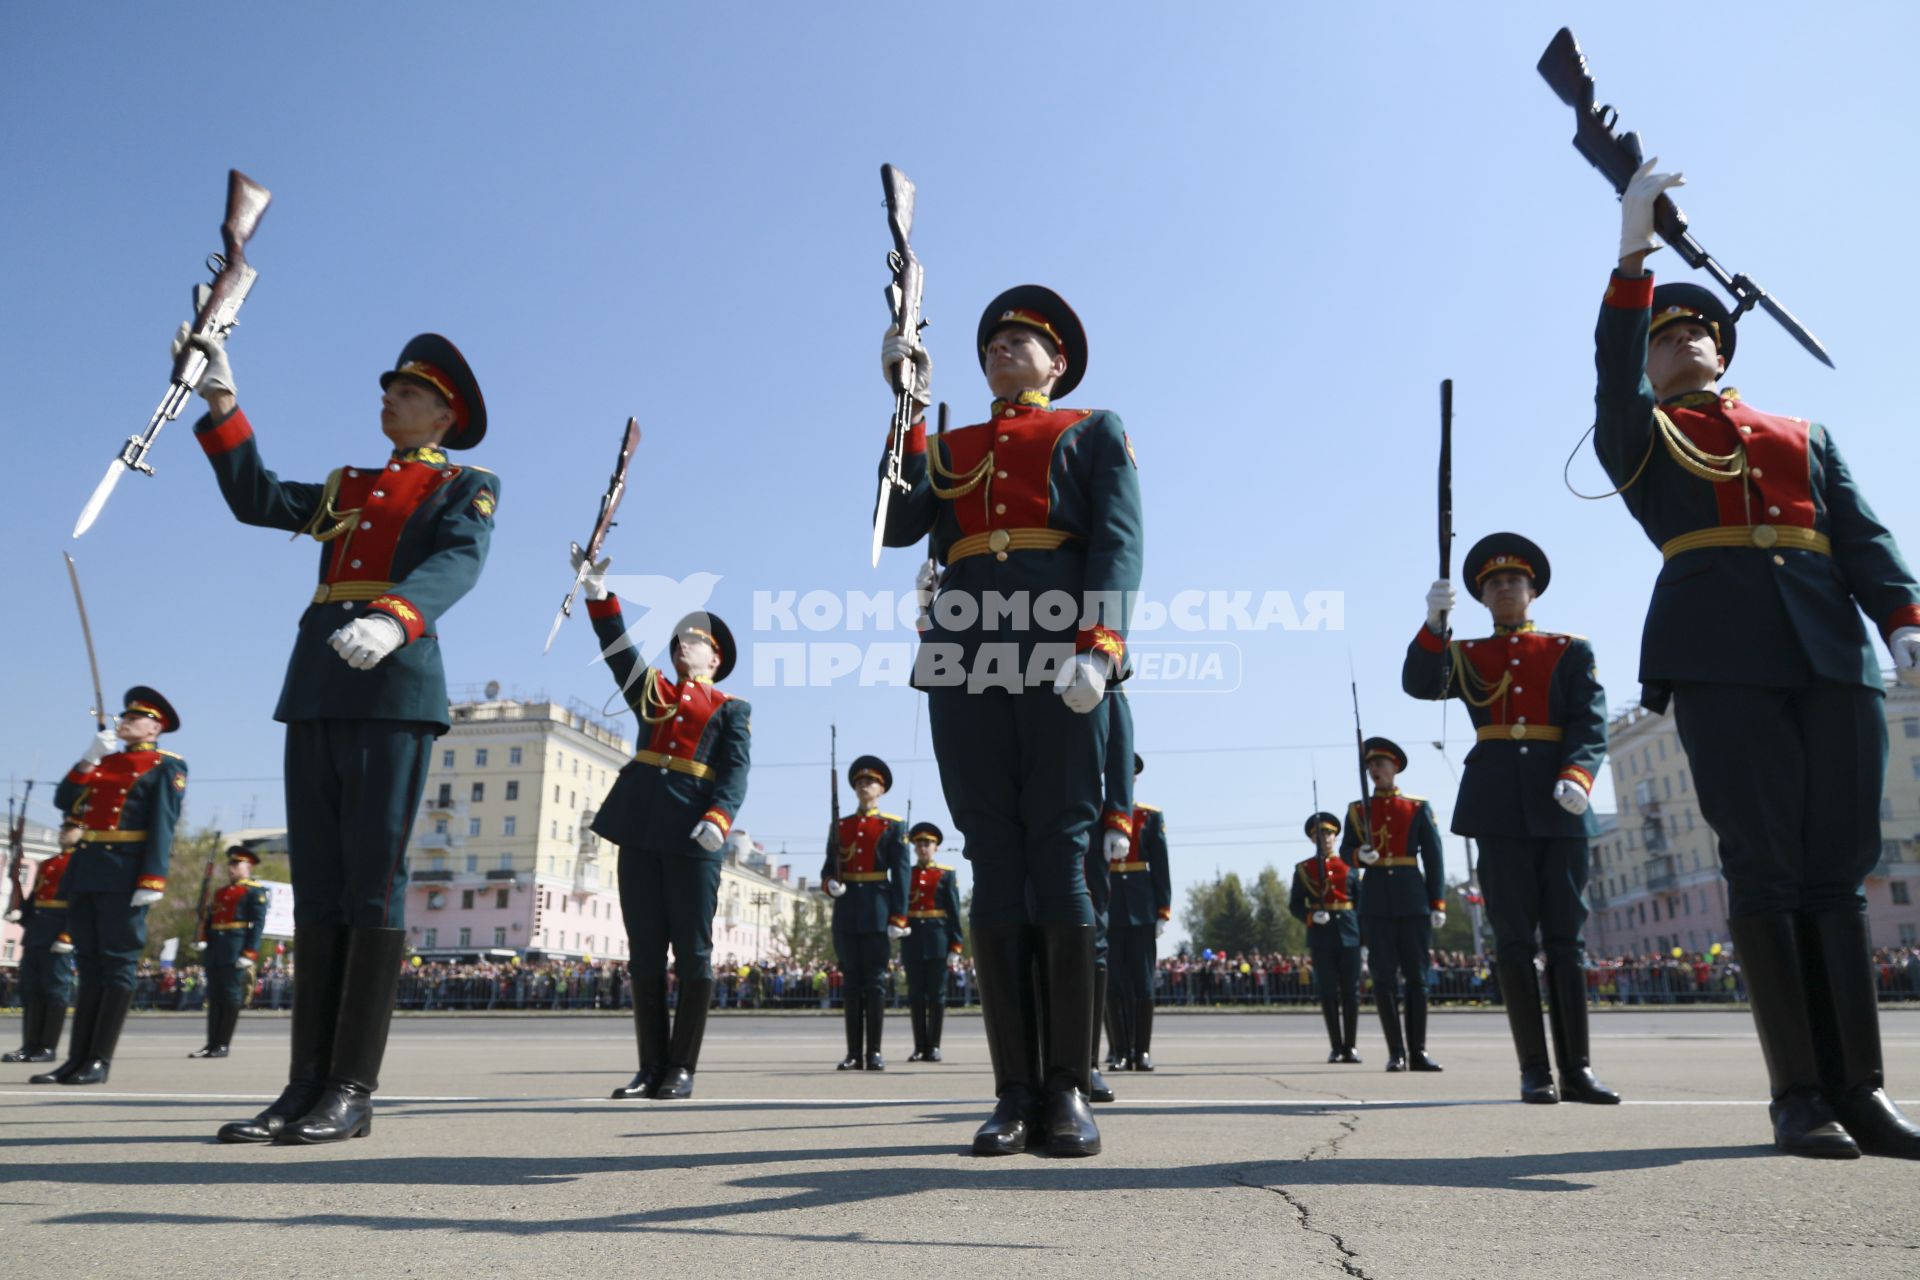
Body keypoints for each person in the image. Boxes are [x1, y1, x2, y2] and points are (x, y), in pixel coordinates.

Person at [1590, 160, 1920, 1158]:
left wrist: (1903, 621)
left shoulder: (1800, 434)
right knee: (1766, 869)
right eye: (1661, 336)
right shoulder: (1640, 437)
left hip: (1834, 656)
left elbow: (1862, 535)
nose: (1678, 339)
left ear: (1722, 345)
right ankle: (1799, 1095)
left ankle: (1860, 1088)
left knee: (1838, 868)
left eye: (1694, 327)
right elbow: (1610, 366)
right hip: (1722, 657)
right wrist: (1633, 249)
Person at [186, 325, 498, 1145]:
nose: (388, 399)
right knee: (321, 883)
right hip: (320, 684)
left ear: (443, 414)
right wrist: (223, 400)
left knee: (370, 884)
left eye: (407, 392)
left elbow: (459, 563)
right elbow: (258, 500)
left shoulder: (466, 483)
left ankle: (353, 1090)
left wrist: (396, 618)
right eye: (389, 389)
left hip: (392, 685)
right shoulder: (348, 485)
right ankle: (304, 1086)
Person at [878, 285, 1144, 1156]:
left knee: (1059, 856)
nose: (1002, 347)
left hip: (1059, 648)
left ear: (1057, 360)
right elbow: (895, 522)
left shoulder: (1092, 430)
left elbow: (1117, 542)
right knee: (992, 855)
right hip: (962, 655)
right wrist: (906, 410)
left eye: (1022, 339)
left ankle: (1068, 1086)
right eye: (992, 339)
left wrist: (1100, 645)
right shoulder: (952, 445)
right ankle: (1012, 1090)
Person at [569, 550, 750, 1101]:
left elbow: (735, 772)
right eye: (677, 640)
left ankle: (682, 1067)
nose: (682, 645)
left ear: (714, 656)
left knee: (692, 953)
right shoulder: (653, 691)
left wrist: (719, 819)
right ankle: (649, 1067)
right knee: (644, 952)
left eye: (693, 639)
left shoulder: (730, 707)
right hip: (642, 827)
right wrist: (600, 594)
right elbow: (618, 652)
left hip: (694, 834)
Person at [33, 689, 187, 1086]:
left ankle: (98, 1060)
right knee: (89, 965)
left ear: (155, 726)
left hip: (125, 873)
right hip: (86, 868)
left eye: (135, 718)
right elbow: (64, 800)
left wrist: (152, 879)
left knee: (117, 966)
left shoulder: (164, 766)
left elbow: (162, 825)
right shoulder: (104, 762)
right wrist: (88, 756)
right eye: (124, 716)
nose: (124, 722)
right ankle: (76, 1059)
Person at [1342, 737, 1445, 1073]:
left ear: (1394, 768)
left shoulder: (1417, 806)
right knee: (1384, 979)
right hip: (1375, 902)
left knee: (1417, 977)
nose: (1375, 770)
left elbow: (1433, 855)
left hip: (1412, 898)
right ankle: (1396, 1052)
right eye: (1370, 766)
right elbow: (1345, 852)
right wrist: (1359, 855)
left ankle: (1418, 1050)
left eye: (1380, 764)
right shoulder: (1358, 811)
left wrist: (1437, 901)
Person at [822, 756, 910, 1070]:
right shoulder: (841, 825)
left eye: (870, 782)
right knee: (851, 983)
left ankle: (873, 1051)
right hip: (847, 911)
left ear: (881, 789)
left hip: (877, 909)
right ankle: (852, 1053)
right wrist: (830, 883)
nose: (864, 787)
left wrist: (899, 916)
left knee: (873, 983)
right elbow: (828, 868)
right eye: (859, 783)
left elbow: (901, 876)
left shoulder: (893, 826)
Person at [1107, 745, 1171, 1072]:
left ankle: (1141, 1051)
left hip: (1142, 907)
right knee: (1113, 982)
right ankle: (1119, 1050)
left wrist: (1163, 910)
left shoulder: (1148, 816)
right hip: (1107, 906)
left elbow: (1160, 865)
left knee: (1143, 982)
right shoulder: (1096, 814)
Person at [3, 819, 80, 1064]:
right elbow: (35, 899)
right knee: (31, 990)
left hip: (59, 933)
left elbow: (79, 904)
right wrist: (20, 911)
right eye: (63, 829)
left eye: (69, 829)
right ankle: (29, 1045)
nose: (63, 833)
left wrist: (67, 935)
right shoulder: (48, 864)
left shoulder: (81, 864)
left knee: (55, 991)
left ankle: (47, 1047)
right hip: (36, 932)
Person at [1289, 812, 1362, 1064]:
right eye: (1319, 835)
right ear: (1312, 839)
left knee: (1351, 993)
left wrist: (1365, 941)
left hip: (1350, 935)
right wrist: (1310, 916)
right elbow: (1295, 904)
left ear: (1335, 836)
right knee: (1328, 992)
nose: (1325, 838)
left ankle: (1351, 1046)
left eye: (1329, 833)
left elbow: (1361, 905)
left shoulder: (1350, 868)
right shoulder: (1304, 869)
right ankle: (1336, 1046)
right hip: (1321, 936)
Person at [190, 847, 270, 1060]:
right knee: (214, 998)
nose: (231, 868)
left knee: (231, 997)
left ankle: (223, 1044)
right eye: (230, 865)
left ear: (248, 867)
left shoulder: (255, 891)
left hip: (236, 949)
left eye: (236, 865)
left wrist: (250, 952)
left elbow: (258, 924)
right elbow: (211, 918)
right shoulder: (221, 892)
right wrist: (202, 938)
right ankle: (210, 1043)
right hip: (216, 949)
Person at [901, 821, 963, 1063]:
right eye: (919, 844)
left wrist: (955, 945)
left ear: (936, 847)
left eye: (928, 844)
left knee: (937, 996)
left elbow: (954, 911)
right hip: (913, 940)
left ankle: (934, 1045)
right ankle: (919, 1047)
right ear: (915, 848)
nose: (923, 848)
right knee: (916, 996)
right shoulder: (907, 873)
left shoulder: (946, 874)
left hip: (938, 941)